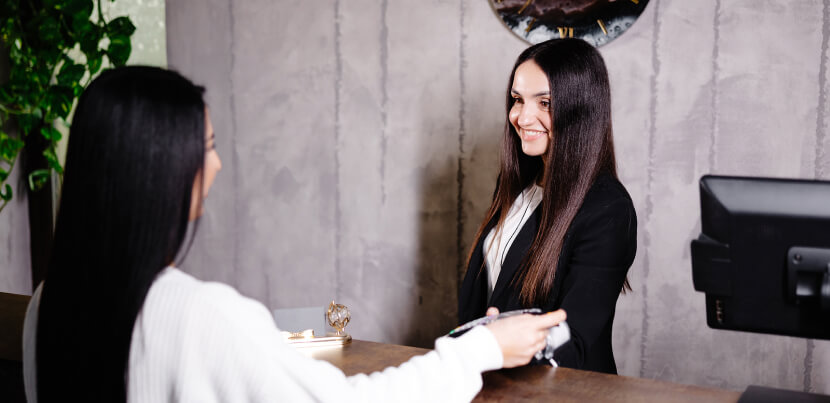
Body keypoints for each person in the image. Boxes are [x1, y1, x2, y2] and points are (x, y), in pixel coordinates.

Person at [21, 66, 566, 402]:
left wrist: (279, 336)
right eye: (207, 147)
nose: (215, 168)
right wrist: (480, 350)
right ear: (163, 169)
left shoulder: (47, 303)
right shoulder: (199, 315)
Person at [458, 38, 637, 374]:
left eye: (545, 103)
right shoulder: (518, 185)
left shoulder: (608, 209)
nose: (522, 116)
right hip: (491, 383)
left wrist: (488, 349)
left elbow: (576, 338)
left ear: (581, 109)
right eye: (517, 100)